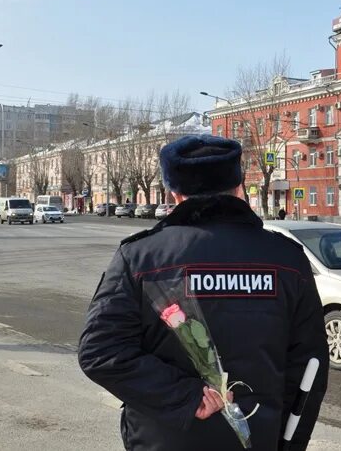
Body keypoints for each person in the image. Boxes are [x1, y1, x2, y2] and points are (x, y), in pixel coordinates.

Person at [79, 134, 328, 451]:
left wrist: (184, 395)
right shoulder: (287, 259)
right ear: (238, 188)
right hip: (257, 438)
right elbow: (310, 368)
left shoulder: (141, 257)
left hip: (164, 440)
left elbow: (100, 352)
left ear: (175, 193)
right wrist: (289, 443)